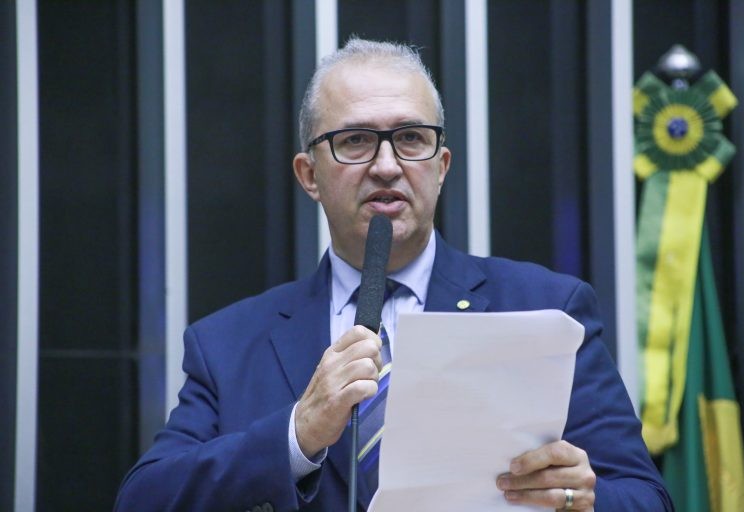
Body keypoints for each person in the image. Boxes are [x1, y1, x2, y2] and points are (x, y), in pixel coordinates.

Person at [114, 38, 673, 512]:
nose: (386, 165)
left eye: (410, 138)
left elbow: (647, 497)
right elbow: (143, 498)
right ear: (309, 174)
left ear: (440, 165)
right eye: (355, 140)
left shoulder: (545, 306)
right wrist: (297, 435)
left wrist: (582, 499)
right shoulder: (227, 344)